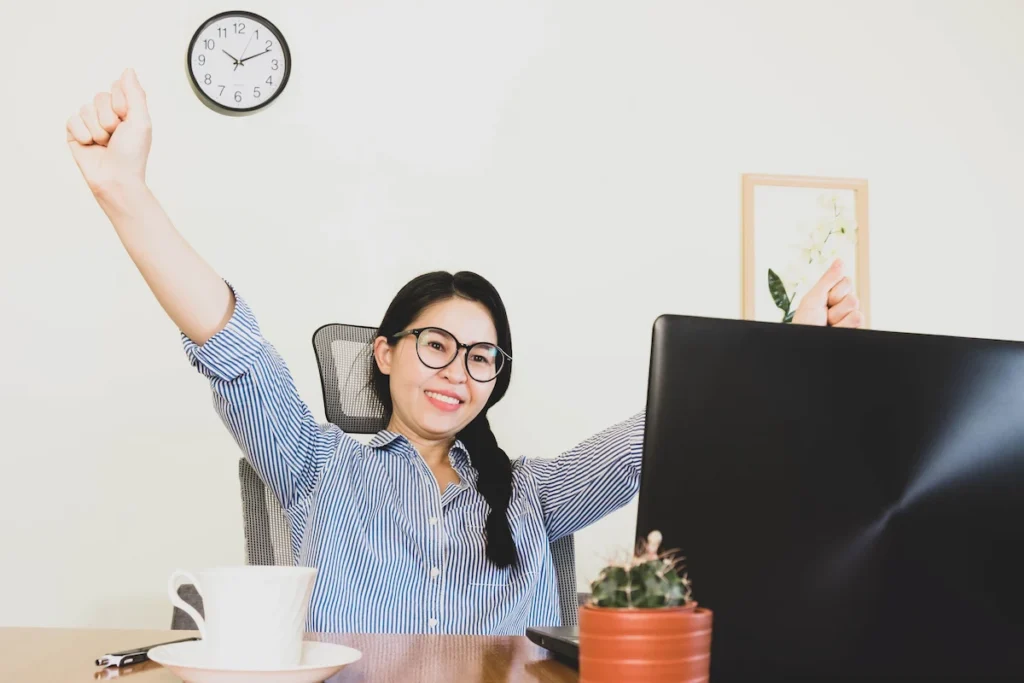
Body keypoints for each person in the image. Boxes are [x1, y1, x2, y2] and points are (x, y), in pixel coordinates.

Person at [66, 69, 865, 635]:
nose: (459, 370)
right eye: (438, 344)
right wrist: (124, 194)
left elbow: (658, 436)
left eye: (483, 357)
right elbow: (232, 346)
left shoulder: (535, 494)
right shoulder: (315, 465)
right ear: (383, 353)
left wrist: (791, 354)